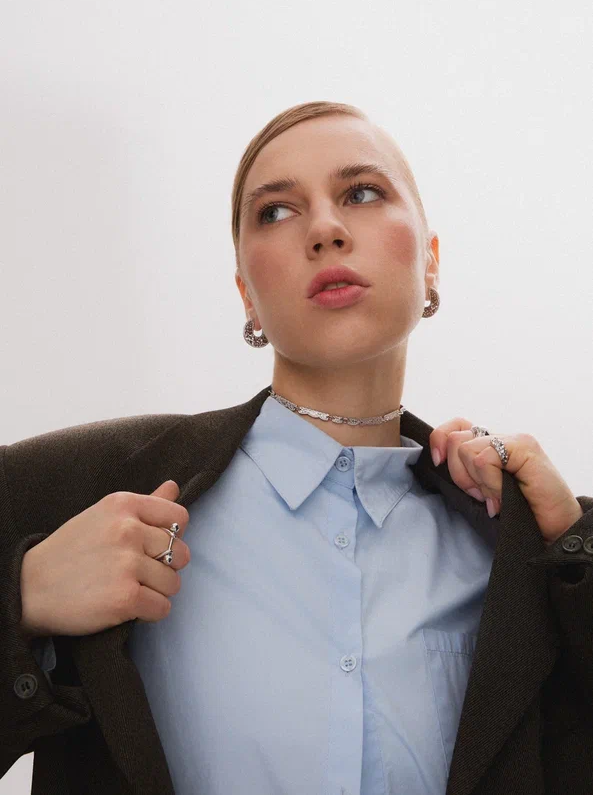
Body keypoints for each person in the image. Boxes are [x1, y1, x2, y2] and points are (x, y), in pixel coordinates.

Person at [2, 101, 592, 795]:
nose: (324, 230)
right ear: (246, 296)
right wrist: (21, 600)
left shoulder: (514, 542)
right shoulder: (83, 489)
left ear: (430, 262)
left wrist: (573, 543)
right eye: (276, 211)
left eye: (361, 193)